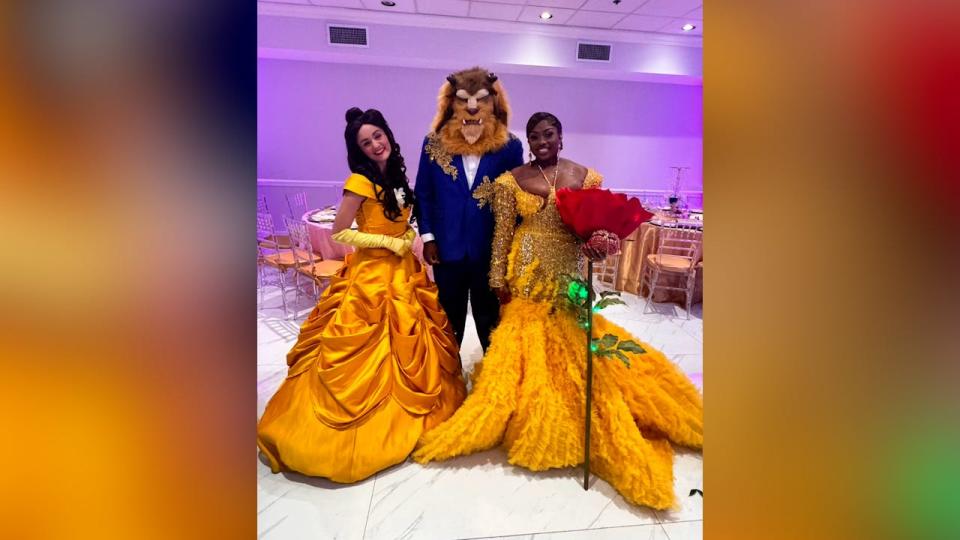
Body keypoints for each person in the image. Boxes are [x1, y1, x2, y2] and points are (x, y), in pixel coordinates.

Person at [413, 112, 703, 510]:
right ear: (528, 142)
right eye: (535, 136)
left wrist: (601, 247)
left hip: (567, 271)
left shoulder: (588, 178)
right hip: (526, 269)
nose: (542, 141)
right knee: (523, 350)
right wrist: (498, 280)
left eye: (548, 134)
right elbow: (501, 235)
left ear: (561, 137)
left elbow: (604, 234)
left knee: (575, 346)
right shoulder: (511, 180)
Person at [257, 108, 466, 483]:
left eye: (378, 136)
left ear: (388, 134)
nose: (375, 144)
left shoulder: (398, 176)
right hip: (372, 274)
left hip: (405, 271)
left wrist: (406, 237)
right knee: (366, 342)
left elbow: (406, 217)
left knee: (416, 340)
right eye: (366, 142)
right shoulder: (359, 181)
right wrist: (389, 241)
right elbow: (340, 232)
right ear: (359, 150)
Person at [414, 67, 524, 352]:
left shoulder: (510, 147)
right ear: (451, 102)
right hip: (445, 250)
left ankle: (491, 382)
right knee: (448, 321)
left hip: (489, 252)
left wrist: (513, 249)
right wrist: (428, 237)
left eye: (481, 100)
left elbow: (517, 198)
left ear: (494, 102)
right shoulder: (433, 143)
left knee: (490, 320)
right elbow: (424, 193)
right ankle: (449, 384)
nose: (472, 108)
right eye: (464, 100)